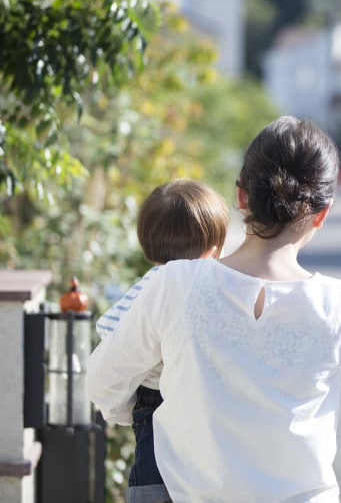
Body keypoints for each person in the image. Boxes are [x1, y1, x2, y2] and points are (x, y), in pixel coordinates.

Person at [86, 115, 341, 502]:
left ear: (241, 197)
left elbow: (103, 384)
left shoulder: (174, 284)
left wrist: (153, 418)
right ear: (322, 214)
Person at [95, 178, 229, 503]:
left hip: (153, 437)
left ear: (148, 244)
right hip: (212, 450)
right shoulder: (219, 291)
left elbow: (111, 338)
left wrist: (124, 411)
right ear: (213, 250)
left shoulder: (143, 291)